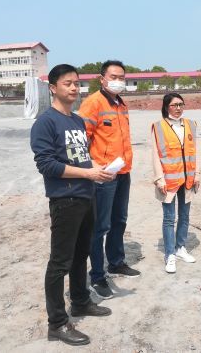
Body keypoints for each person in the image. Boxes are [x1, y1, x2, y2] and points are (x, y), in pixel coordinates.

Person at [30, 64, 114, 346]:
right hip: (65, 200)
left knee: (81, 255)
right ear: (53, 88)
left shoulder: (77, 121)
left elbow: (81, 158)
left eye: (77, 83)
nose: (74, 88)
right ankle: (57, 323)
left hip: (86, 196)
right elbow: (47, 165)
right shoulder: (45, 122)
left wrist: (98, 168)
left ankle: (80, 301)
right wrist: (88, 174)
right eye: (68, 83)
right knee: (60, 262)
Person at [78, 60, 140, 300]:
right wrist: (92, 166)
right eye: (113, 77)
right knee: (100, 226)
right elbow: (81, 139)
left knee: (119, 220)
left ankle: (116, 262)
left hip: (123, 171)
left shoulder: (121, 103)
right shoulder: (93, 103)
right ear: (101, 78)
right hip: (104, 175)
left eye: (122, 77)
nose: (118, 81)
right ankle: (97, 276)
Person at [151, 93, 201, 273]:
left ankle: (180, 247)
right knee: (169, 218)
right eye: (174, 105)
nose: (178, 108)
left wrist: (197, 174)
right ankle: (170, 254)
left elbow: (194, 152)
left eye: (181, 104)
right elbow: (155, 154)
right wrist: (159, 178)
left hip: (187, 179)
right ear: (166, 107)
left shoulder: (191, 124)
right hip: (169, 180)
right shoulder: (158, 127)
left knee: (185, 216)